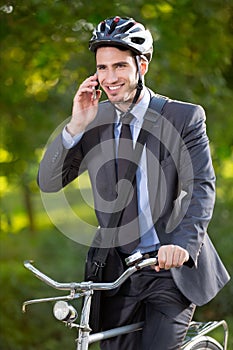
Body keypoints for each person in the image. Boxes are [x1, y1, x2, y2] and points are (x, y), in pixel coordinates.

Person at [38, 16, 230, 350]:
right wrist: (75, 126)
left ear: (142, 66)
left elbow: (200, 186)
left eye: (119, 66)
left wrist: (183, 245)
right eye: (101, 68)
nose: (109, 78)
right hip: (116, 271)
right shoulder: (94, 122)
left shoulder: (182, 118)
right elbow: (50, 182)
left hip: (170, 269)